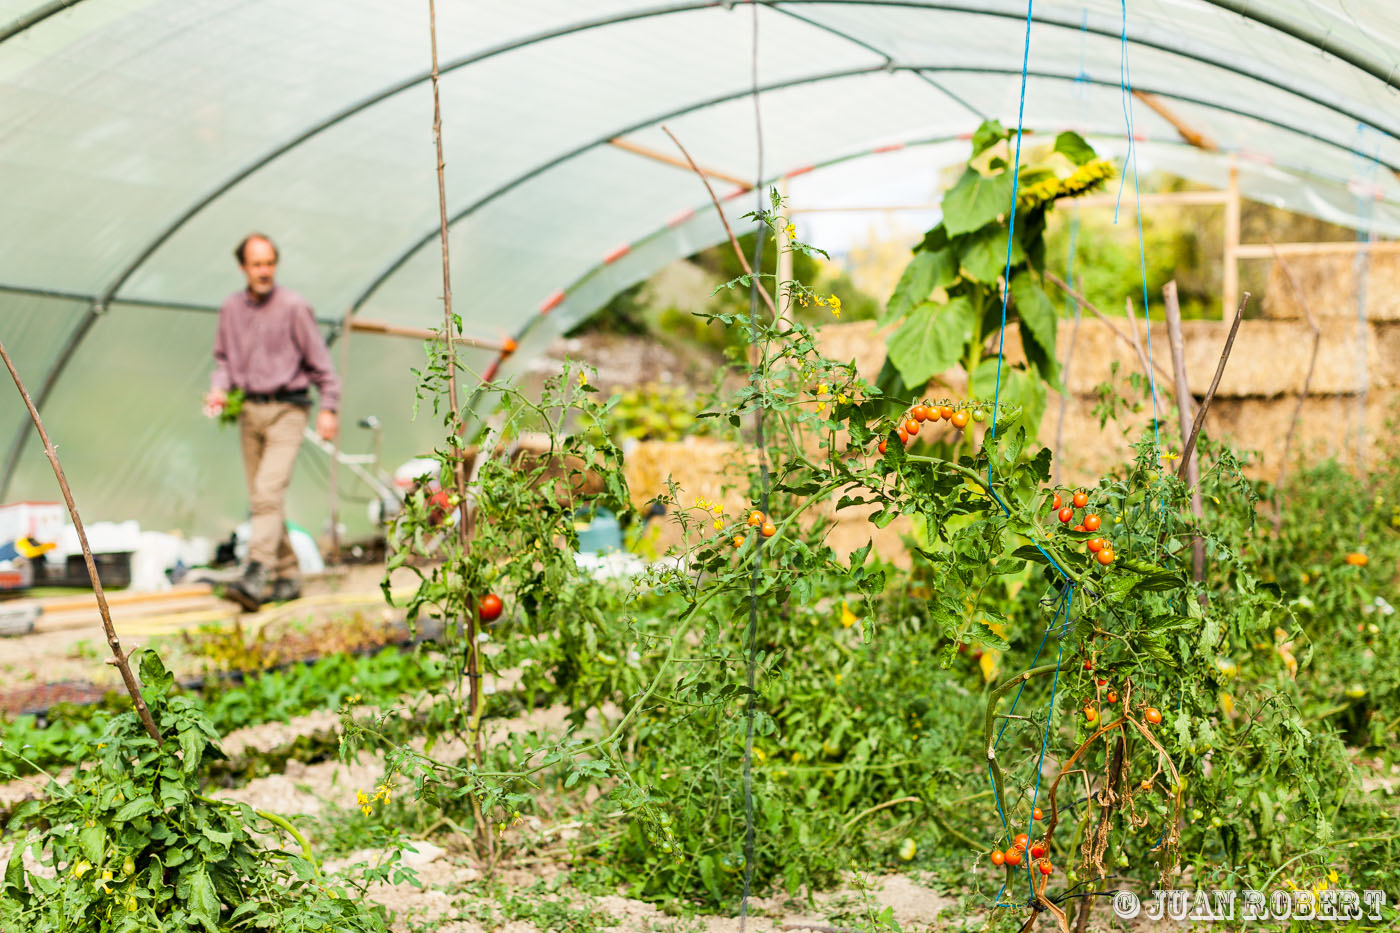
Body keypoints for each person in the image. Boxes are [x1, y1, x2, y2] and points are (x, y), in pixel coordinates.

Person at [204, 233, 340, 610]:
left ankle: (256, 572)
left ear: (275, 265)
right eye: (256, 264)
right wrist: (218, 390)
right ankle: (288, 575)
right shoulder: (231, 309)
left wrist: (329, 407)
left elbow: (321, 364)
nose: (263, 271)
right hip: (248, 410)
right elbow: (223, 363)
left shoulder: (295, 307)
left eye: (269, 263)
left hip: (288, 410)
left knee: (267, 491)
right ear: (243, 268)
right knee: (263, 498)